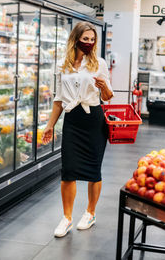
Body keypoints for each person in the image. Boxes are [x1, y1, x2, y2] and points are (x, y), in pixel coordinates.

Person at [42, 21, 113, 238]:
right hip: (72, 120)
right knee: (69, 170)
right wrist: (50, 125)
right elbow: (58, 99)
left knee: (93, 170)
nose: (89, 43)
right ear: (76, 39)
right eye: (86, 39)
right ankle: (67, 218)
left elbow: (108, 97)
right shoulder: (63, 65)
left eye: (92, 40)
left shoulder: (99, 63)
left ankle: (90, 213)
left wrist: (104, 87)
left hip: (94, 120)